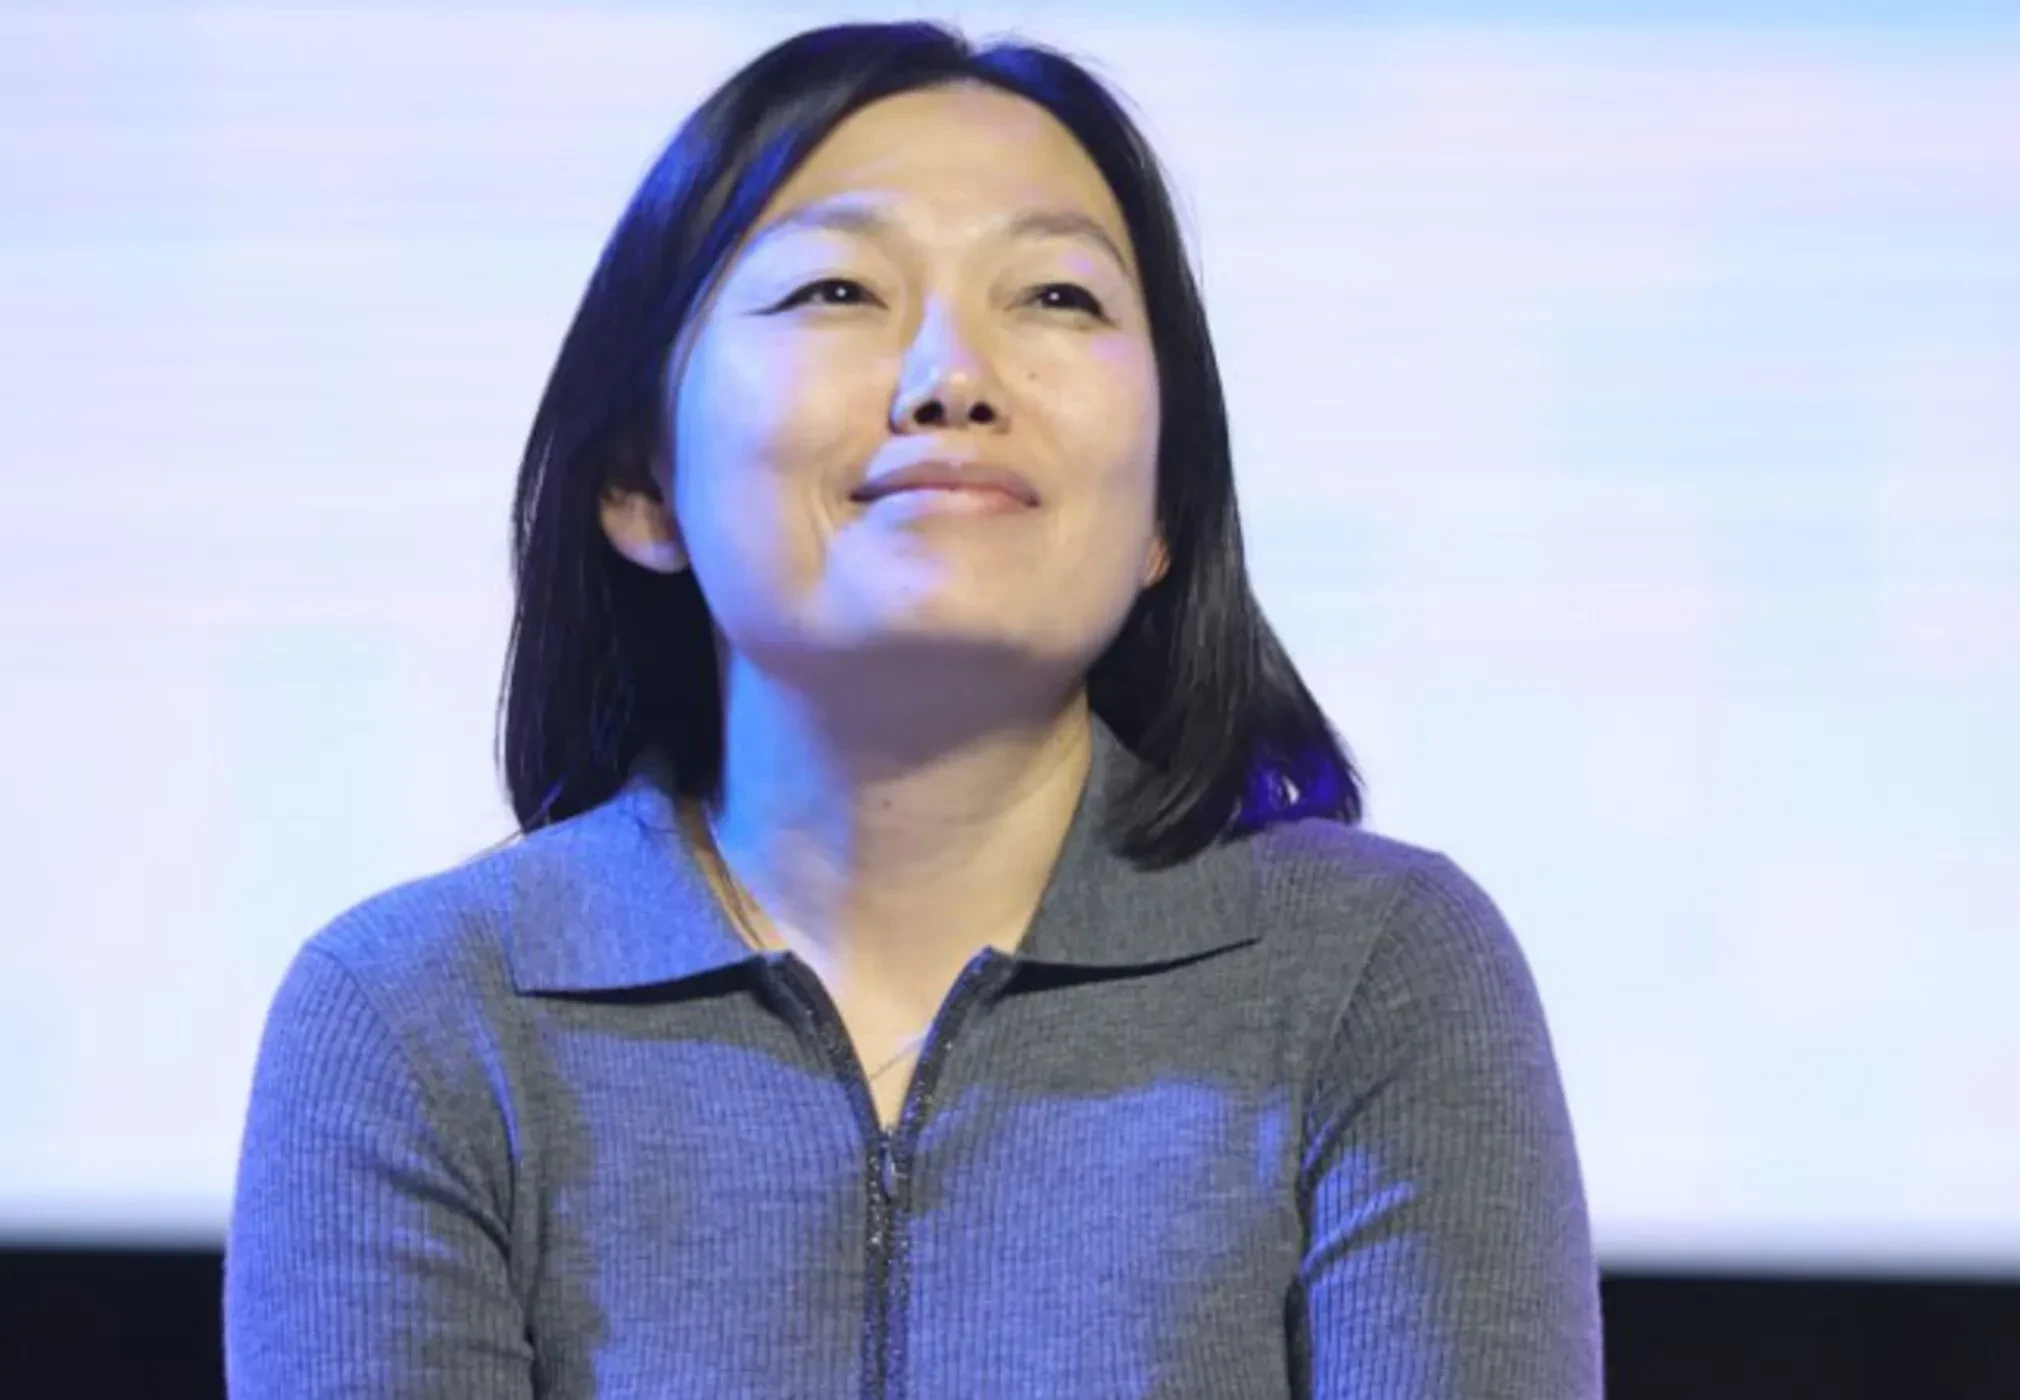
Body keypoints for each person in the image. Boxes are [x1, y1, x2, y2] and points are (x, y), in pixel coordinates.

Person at [224, 20, 1601, 1397]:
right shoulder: (419, 1018)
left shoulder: (1374, 976)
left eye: (1057, 296)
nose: (955, 379)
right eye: (837, 289)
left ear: (1163, 512)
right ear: (641, 481)